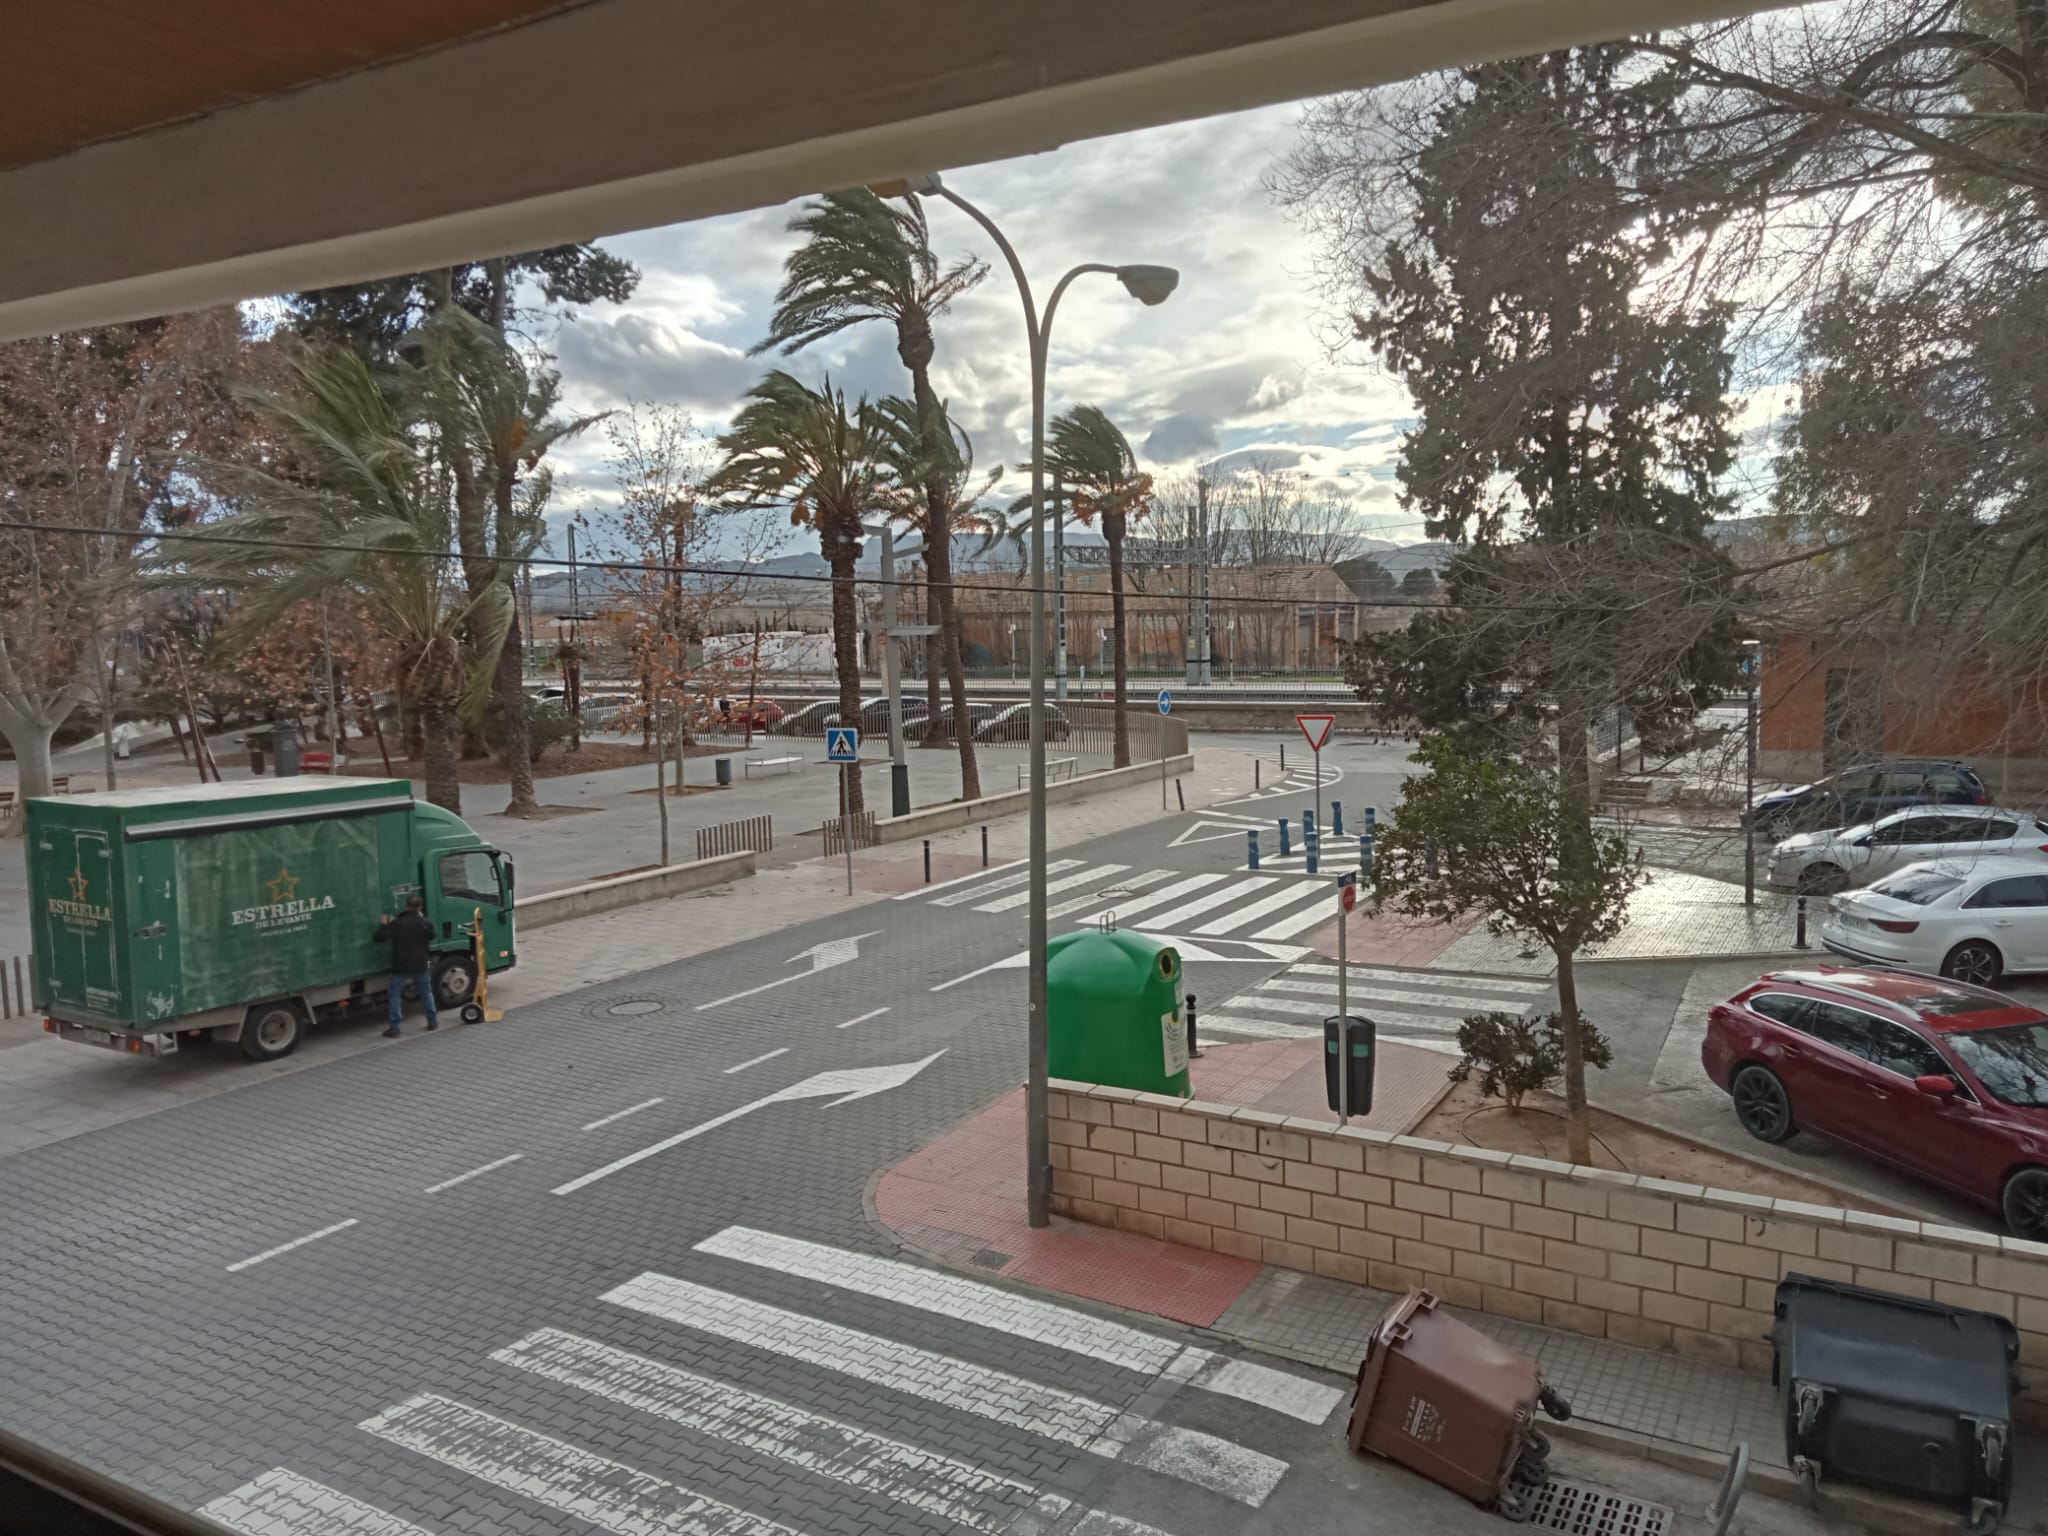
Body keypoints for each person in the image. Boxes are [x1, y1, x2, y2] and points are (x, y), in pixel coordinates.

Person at [374, 895, 438, 1038]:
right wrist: (422, 918)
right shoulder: (426, 922)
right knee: (426, 993)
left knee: (395, 995)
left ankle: (395, 1027)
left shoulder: (397, 923)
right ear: (420, 907)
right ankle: (432, 1021)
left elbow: (379, 937)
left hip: (401, 964)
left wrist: (384, 923)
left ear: (406, 905)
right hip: (420, 964)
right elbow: (432, 935)